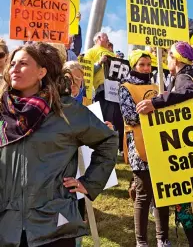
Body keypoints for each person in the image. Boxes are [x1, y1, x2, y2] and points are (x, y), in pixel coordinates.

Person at [0, 42, 118, 247]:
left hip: (53, 226)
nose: (15, 68)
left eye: (23, 63)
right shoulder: (2, 111)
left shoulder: (65, 110)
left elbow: (108, 140)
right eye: (12, 64)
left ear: (41, 72)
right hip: (6, 228)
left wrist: (89, 183)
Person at [136, 42, 193, 247]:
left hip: (191, 167)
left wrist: (156, 102)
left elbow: (190, 92)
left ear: (176, 59)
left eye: (168, 56)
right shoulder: (189, 74)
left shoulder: (184, 77)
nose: (166, 60)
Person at [119, 50, 171, 247]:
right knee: (143, 195)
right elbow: (130, 117)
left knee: (162, 193)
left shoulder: (157, 87)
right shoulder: (126, 87)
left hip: (160, 143)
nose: (146, 68)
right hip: (139, 146)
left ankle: (162, 239)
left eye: (148, 65)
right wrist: (155, 108)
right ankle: (141, 242)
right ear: (133, 65)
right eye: (141, 64)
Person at [85, 32, 124, 154]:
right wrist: (99, 62)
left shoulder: (112, 53)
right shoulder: (91, 52)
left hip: (115, 89)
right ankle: (103, 148)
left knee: (117, 118)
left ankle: (119, 148)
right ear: (98, 39)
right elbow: (86, 70)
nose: (108, 39)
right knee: (105, 117)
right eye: (106, 36)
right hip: (102, 89)